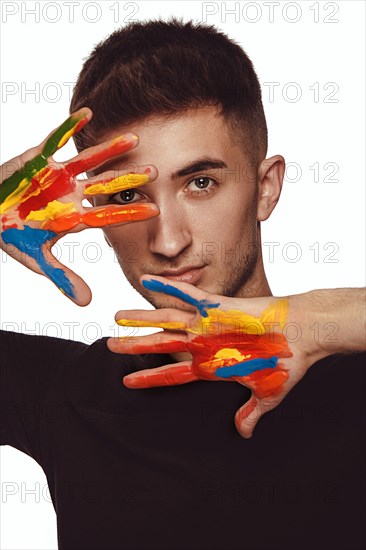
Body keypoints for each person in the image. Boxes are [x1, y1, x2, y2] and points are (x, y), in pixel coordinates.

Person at [1, 19, 365, 550]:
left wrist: (314, 319)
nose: (168, 241)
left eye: (200, 183)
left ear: (265, 189)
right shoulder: (68, 397)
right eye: (126, 197)